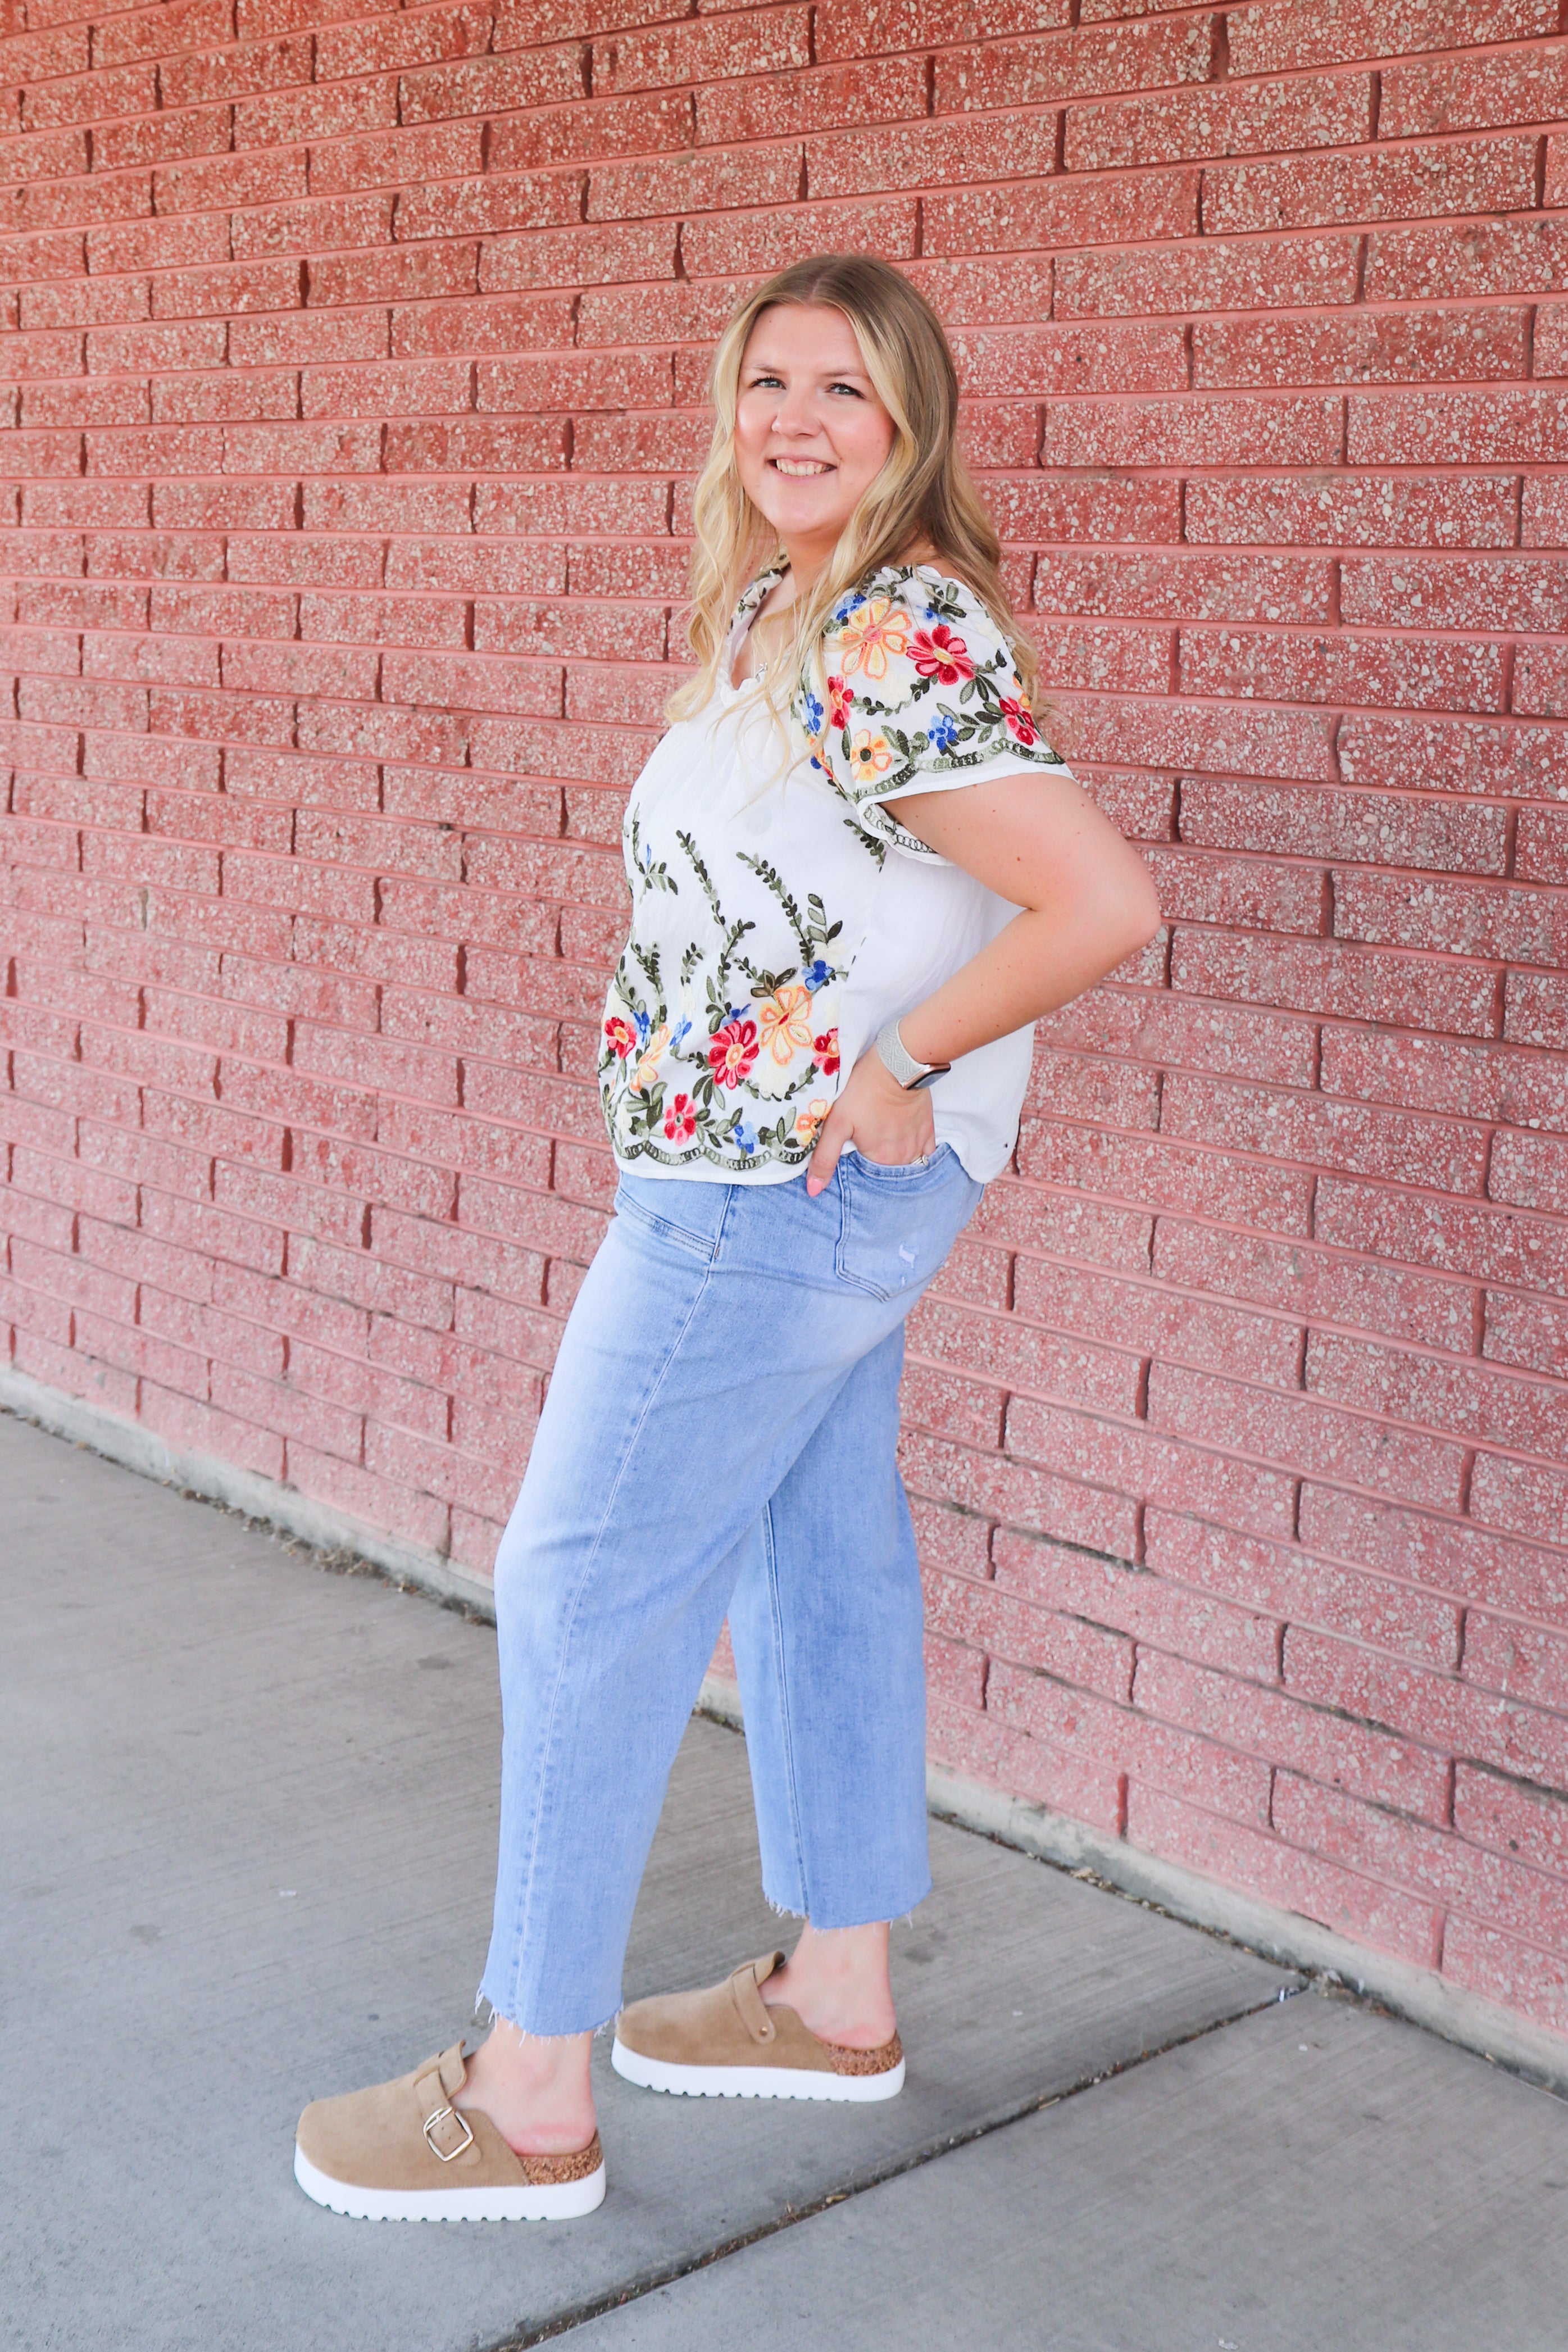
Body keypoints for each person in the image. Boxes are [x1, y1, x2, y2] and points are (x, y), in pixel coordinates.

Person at [293, 252, 1161, 2223]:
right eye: (768, 378)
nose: (796, 417)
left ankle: (525, 2092)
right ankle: (837, 1987)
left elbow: (1099, 903)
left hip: (772, 1190)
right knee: (813, 1540)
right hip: (780, 1180)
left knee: (580, 1572)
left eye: (845, 389)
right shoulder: (791, 610)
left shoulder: (891, 631)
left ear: (911, 419)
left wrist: (908, 1061)